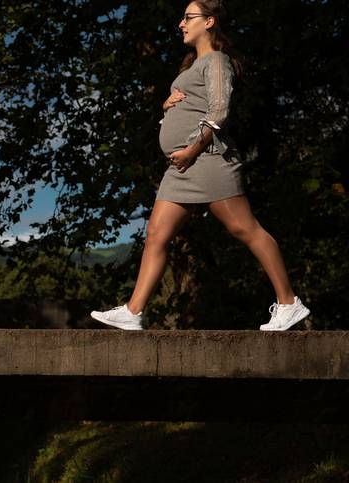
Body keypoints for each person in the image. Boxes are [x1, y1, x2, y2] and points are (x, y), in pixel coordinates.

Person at [91, 0, 309, 331]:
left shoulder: (217, 61)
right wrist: (168, 108)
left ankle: (289, 303)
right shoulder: (192, 67)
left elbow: (220, 110)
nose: (181, 23)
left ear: (209, 22)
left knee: (243, 228)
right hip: (182, 168)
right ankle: (133, 312)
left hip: (207, 160)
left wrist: (192, 148)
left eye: (188, 17)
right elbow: (195, 107)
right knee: (155, 234)